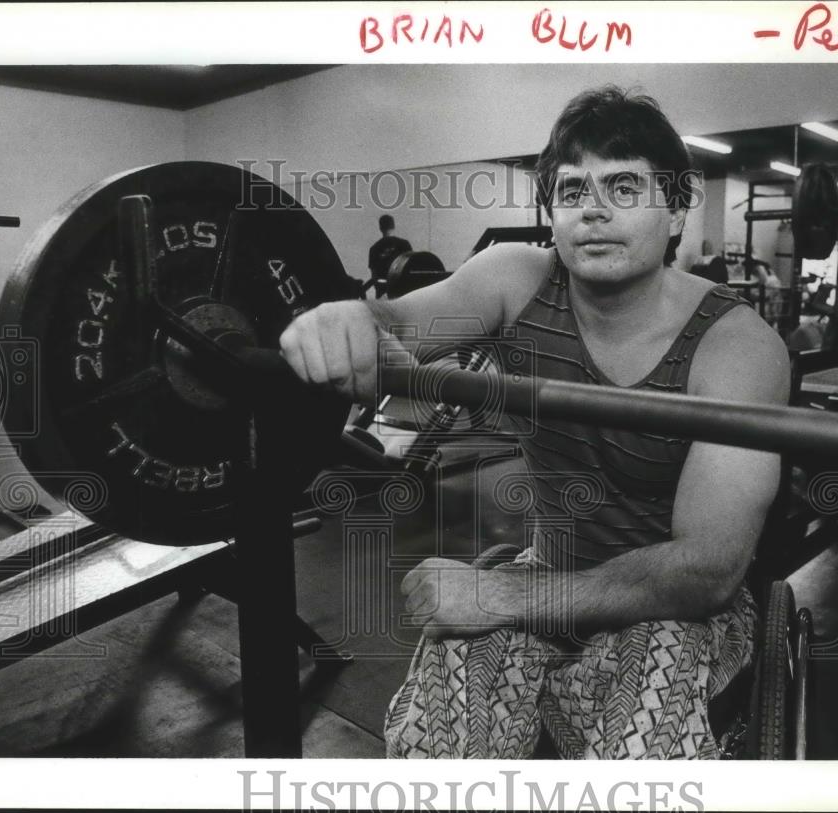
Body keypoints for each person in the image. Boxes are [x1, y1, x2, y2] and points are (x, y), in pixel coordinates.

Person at [280, 86, 789, 759]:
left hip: (672, 612)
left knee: (636, 766)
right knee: (437, 750)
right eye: (573, 190)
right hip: (541, 572)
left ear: (675, 208)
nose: (595, 209)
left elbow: (705, 570)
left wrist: (495, 595)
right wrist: (345, 321)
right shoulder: (516, 280)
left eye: (625, 186)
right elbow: (397, 325)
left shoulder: (738, 346)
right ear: (552, 212)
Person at [367, 214, 412, 297]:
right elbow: (410, 266)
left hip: (383, 290)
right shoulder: (404, 244)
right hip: (402, 288)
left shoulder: (374, 248)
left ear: (380, 228)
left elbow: (374, 274)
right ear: (393, 226)